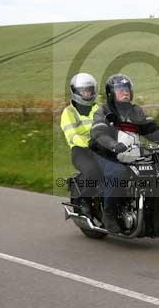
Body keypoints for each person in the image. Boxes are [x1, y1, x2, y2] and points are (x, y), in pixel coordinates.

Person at [90, 73, 159, 232]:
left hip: (130, 154)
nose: (125, 92)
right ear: (111, 93)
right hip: (105, 153)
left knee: (155, 171)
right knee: (118, 173)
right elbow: (98, 134)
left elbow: (153, 130)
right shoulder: (104, 111)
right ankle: (109, 213)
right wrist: (113, 145)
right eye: (120, 90)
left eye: (127, 89)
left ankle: (152, 215)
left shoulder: (136, 111)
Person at [60, 73, 103, 217]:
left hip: (102, 149)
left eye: (90, 90)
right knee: (93, 171)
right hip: (81, 151)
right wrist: (88, 142)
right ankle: (83, 200)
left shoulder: (100, 109)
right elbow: (72, 135)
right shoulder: (69, 112)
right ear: (76, 92)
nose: (87, 94)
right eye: (84, 91)